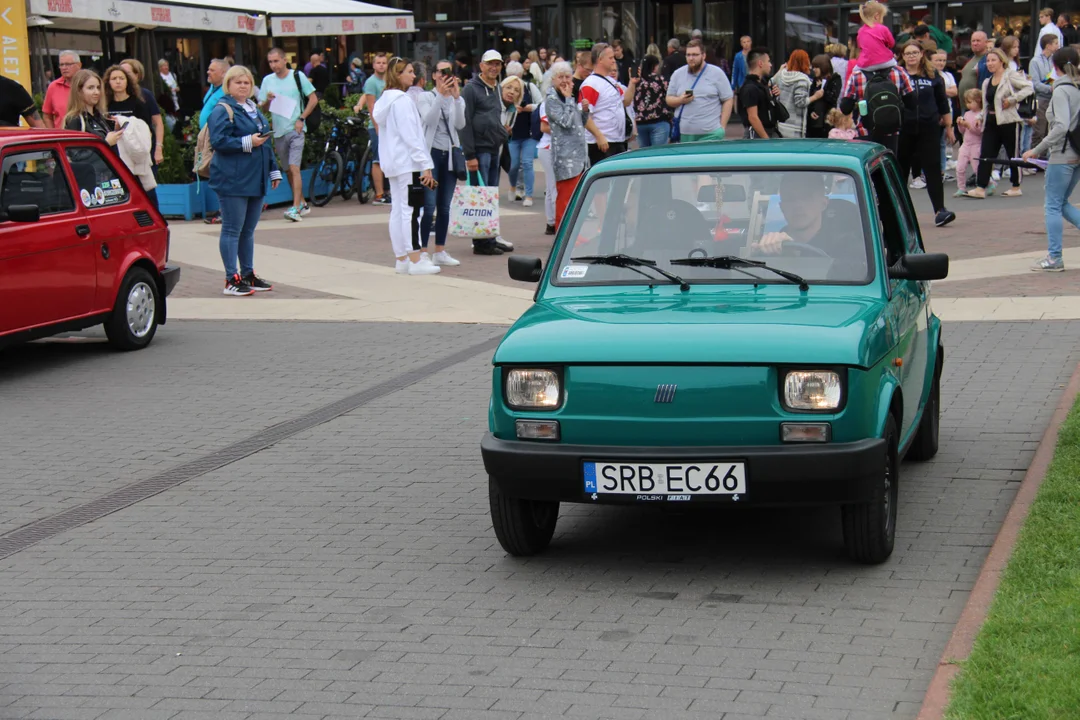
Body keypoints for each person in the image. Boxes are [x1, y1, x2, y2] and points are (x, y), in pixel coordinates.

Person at [207, 65, 281, 296]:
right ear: (228, 85)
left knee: (247, 230)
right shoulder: (222, 109)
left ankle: (247, 274)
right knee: (232, 229)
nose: (243, 86)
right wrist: (246, 142)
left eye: (247, 82)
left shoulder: (253, 109)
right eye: (238, 82)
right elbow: (218, 141)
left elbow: (265, 141)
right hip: (232, 178)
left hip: (254, 177)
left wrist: (273, 169)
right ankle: (231, 279)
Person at [372, 56, 440, 276]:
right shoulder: (401, 101)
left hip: (393, 162)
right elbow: (412, 135)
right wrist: (425, 164)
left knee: (399, 211)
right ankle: (414, 259)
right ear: (398, 74)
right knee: (411, 212)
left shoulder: (385, 100)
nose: (413, 75)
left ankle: (402, 258)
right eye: (409, 71)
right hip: (407, 162)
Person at [1023, 46, 1080, 271]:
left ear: (1054, 67)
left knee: (1053, 205)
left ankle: (1054, 257)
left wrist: (1037, 149)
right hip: (1077, 152)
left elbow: (1061, 126)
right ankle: (1054, 257)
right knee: (1061, 202)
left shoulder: (1061, 90)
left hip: (1063, 152)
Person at [897, 42, 956, 227]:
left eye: (915, 52)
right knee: (901, 171)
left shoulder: (932, 75)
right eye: (908, 53)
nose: (912, 56)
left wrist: (949, 127)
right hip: (904, 129)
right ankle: (898, 213)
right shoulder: (898, 75)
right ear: (903, 56)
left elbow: (942, 102)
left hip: (928, 128)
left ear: (922, 54)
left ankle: (940, 210)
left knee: (932, 169)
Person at [461, 49, 513, 255]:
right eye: (490, 64)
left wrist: (502, 133)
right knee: (480, 196)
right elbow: (464, 122)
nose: (494, 67)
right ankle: (480, 242)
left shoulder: (495, 89)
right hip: (479, 150)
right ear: (481, 66)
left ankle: (489, 237)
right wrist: (469, 155)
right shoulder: (471, 89)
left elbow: (493, 117)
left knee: (490, 196)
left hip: (493, 148)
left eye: (498, 64)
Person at [416, 60, 466, 263]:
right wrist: (440, 96)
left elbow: (460, 124)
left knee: (444, 207)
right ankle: (422, 252)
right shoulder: (425, 96)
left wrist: (456, 98)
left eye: (448, 72)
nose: (444, 76)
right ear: (434, 75)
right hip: (431, 156)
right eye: (441, 72)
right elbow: (428, 119)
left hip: (450, 157)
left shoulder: (456, 98)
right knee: (429, 206)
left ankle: (440, 251)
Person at [967, 49, 1034, 198]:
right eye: (988, 61)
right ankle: (981, 187)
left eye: (993, 60)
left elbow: (1029, 87)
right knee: (986, 153)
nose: (990, 64)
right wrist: (980, 117)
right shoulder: (986, 82)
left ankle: (1016, 186)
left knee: (1013, 154)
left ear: (1001, 61)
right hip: (991, 120)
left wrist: (1012, 99)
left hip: (1009, 120)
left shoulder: (1010, 76)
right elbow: (986, 104)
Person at [751, 173, 864, 263]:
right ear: (782, 207)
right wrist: (764, 254)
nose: (798, 205)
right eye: (790, 198)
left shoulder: (847, 247)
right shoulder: (771, 246)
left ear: (823, 204)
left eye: (807, 197)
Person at [261, 47, 319, 222]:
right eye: (270, 62)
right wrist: (267, 102)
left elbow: (313, 99)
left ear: (285, 60)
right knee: (288, 170)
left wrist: (301, 118)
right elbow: (263, 108)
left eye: (276, 61)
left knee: (294, 168)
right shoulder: (267, 81)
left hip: (296, 129)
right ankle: (301, 203)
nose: (273, 65)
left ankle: (295, 208)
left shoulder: (297, 76)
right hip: (279, 131)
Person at [103, 64, 158, 208]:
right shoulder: (105, 105)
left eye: (121, 78)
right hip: (116, 153)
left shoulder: (138, 103)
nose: (118, 81)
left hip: (137, 152)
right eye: (114, 78)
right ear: (108, 82)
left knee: (146, 190)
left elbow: (147, 128)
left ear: (128, 81)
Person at [545, 61, 592, 230]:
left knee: (575, 200)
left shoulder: (568, 98)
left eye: (567, 77)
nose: (565, 80)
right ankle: (561, 234)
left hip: (578, 157)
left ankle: (573, 235)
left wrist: (584, 111)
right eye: (560, 77)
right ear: (553, 80)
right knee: (565, 201)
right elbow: (565, 121)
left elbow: (578, 122)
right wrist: (569, 100)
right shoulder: (552, 100)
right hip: (566, 159)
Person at [839, 59, 916, 155]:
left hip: (865, 131)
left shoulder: (856, 75)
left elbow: (845, 109)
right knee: (888, 165)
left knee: (868, 166)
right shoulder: (899, 72)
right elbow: (912, 103)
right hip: (892, 131)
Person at [665, 39, 734, 142]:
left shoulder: (717, 73)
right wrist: (680, 100)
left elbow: (728, 99)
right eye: (688, 55)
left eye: (695, 55)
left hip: (711, 134)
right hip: (685, 134)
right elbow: (668, 99)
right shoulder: (678, 74)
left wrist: (722, 127)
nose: (691, 58)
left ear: (703, 55)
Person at [580, 42, 637, 163]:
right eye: (610, 58)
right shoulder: (590, 84)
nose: (613, 60)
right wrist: (599, 136)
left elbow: (625, 102)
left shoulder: (612, 81)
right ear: (600, 59)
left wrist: (632, 83)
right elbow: (584, 115)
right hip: (602, 143)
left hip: (617, 140)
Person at [354, 52, 390, 205]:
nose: (381, 65)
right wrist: (377, 128)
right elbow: (372, 107)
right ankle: (379, 194)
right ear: (373, 65)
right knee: (378, 159)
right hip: (377, 127)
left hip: (390, 127)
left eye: (384, 62)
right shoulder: (371, 82)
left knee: (387, 159)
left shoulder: (389, 80)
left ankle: (387, 191)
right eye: (378, 62)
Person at [505, 61, 542, 206]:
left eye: (517, 77)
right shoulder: (504, 90)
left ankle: (529, 195)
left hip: (529, 133)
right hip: (512, 135)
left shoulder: (529, 87)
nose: (515, 83)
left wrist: (527, 108)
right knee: (513, 165)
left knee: (527, 163)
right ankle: (515, 187)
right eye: (511, 78)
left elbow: (541, 104)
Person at [119, 59, 165, 169]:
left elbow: (158, 122)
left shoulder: (146, 95)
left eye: (127, 73)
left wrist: (158, 148)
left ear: (137, 75)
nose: (122, 77)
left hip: (144, 149)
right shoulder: (109, 97)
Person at [64, 70, 126, 150]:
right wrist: (106, 143)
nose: (96, 92)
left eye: (98, 87)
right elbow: (76, 155)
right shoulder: (75, 119)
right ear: (79, 91)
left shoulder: (100, 117)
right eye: (90, 88)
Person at [737, 48, 781, 139]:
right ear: (760, 63)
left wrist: (773, 94)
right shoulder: (750, 88)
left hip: (769, 131)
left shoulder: (763, 84)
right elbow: (753, 117)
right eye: (768, 61)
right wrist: (766, 138)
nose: (770, 65)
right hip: (757, 135)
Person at [633, 54, 672, 146]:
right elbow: (669, 95)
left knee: (644, 155)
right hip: (659, 120)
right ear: (655, 66)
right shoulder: (660, 80)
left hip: (640, 122)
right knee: (658, 155)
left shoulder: (636, 81)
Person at [774, 49, 812, 138]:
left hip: (781, 123)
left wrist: (779, 71)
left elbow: (770, 83)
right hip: (796, 126)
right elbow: (800, 102)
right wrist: (815, 97)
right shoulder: (802, 79)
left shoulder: (781, 75)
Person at [1031, 34, 1059, 150]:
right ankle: (1034, 158)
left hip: (1054, 99)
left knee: (1050, 131)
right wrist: (1050, 88)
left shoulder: (1055, 60)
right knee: (1039, 131)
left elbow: (1052, 78)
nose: (1058, 46)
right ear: (1048, 46)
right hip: (1041, 100)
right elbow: (1036, 84)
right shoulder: (1035, 61)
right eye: (1056, 43)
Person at [955, 89, 986, 195]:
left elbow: (980, 131)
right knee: (960, 167)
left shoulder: (981, 115)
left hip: (976, 144)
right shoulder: (967, 114)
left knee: (977, 168)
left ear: (978, 100)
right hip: (966, 144)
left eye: (970, 102)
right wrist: (960, 124)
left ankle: (988, 183)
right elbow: (962, 131)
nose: (968, 105)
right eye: (966, 102)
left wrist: (969, 125)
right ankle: (961, 187)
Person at [42, 50, 81, 128]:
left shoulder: (88, 84)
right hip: (63, 137)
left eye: (68, 64)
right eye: (61, 65)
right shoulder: (53, 86)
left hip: (87, 135)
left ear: (79, 65)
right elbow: (47, 116)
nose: (64, 68)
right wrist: (53, 135)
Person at [807, 54, 842, 138]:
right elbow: (810, 98)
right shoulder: (815, 80)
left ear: (823, 67)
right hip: (814, 124)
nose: (813, 69)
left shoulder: (835, 79)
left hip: (828, 121)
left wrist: (821, 90)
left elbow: (833, 98)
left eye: (816, 67)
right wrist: (811, 111)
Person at [856, 2, 898, 72]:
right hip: (885, 62)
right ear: (877, 16)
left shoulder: (860, 31)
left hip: (866, 65)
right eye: (882, 17)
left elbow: (860, 46)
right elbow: (892, 43)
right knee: (897, 69)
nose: (883, 20)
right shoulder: (883, 28)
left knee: (855, 71)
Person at [536, 97, 557, 234]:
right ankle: (556, 221)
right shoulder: (549, 102)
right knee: (553, 187)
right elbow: (544, 127)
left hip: (555, 148)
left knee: (551, 187)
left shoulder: (566, 100)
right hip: (548, 148)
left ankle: (551, 222)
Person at [198, 58, 230, 129]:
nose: (208, 72)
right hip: (205, 135)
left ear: (223, 74)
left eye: (212, 70)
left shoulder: (228, 91)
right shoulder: (213, 85)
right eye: (209, 69)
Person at [958, 31, 989, 99]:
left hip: (978, 104)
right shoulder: (970, 59)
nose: (975, 43)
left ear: (986, 43)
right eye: (973, 41)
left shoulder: (989, 59)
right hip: (966, 104)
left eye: (978, 41)